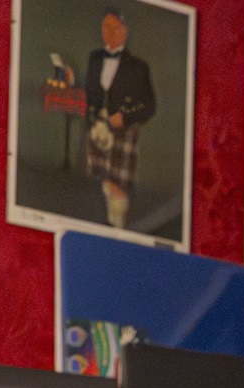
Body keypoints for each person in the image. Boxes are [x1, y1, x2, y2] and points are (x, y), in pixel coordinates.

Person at [84, 9, 156, 231]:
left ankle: (118, 227)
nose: (110, 33)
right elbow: (90, 93)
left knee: (119, 185)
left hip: (123, 129)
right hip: (99, 126)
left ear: (125, 31)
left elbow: (150, 106)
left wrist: (124, 117)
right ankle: (107, 225)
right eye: (106, 27)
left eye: (115, 28)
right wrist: (93, 120)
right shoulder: (95, 58)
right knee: (102, 179)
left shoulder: (138, 66)